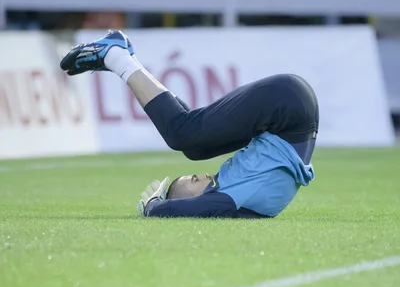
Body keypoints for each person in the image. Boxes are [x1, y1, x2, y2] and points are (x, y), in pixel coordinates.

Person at [60, 30, 318, 218]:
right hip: (287, 107)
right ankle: (120, 57)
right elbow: (185, 208)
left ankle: (120, 58)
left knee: (187, 138)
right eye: (194, 180)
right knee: (188, 140)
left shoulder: (231, 195)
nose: (204, 175)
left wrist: (156, 204)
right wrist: (152, 205)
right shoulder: (228, 199)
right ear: (196, 197)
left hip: (287, 109)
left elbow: (181, 208)